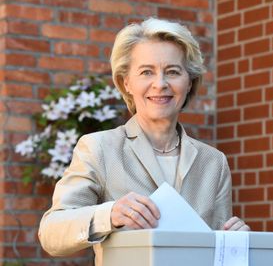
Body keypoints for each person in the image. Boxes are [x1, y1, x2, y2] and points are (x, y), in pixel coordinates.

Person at [38, 18, 249, 265]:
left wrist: (234, 243)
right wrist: (111, 214)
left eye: (173, 71)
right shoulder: (99, 148)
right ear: (126, 82)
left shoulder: (214, 162)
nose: (160, 84)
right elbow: (51, 232)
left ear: (189, 81)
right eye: (146, 72)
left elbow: (215, 253)